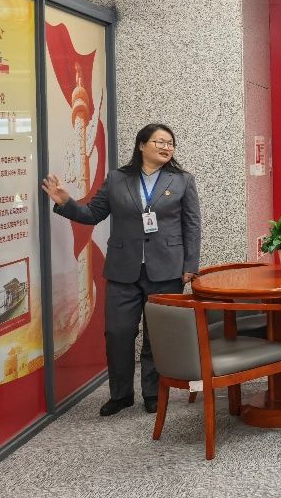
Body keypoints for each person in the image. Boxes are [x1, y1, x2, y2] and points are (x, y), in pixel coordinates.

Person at [41, 123, 201, 416]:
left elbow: (191, 225)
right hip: (122, 270)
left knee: (157, 336)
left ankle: (153, 393)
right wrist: (66, 202)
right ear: (141, 145)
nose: (166, 147)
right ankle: (121, 394)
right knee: (117, 333)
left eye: (170, 143)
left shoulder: (182, 180)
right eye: (159, 142)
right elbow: (93, 214)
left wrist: (190, 265)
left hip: (167, 270)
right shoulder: (117, 178)